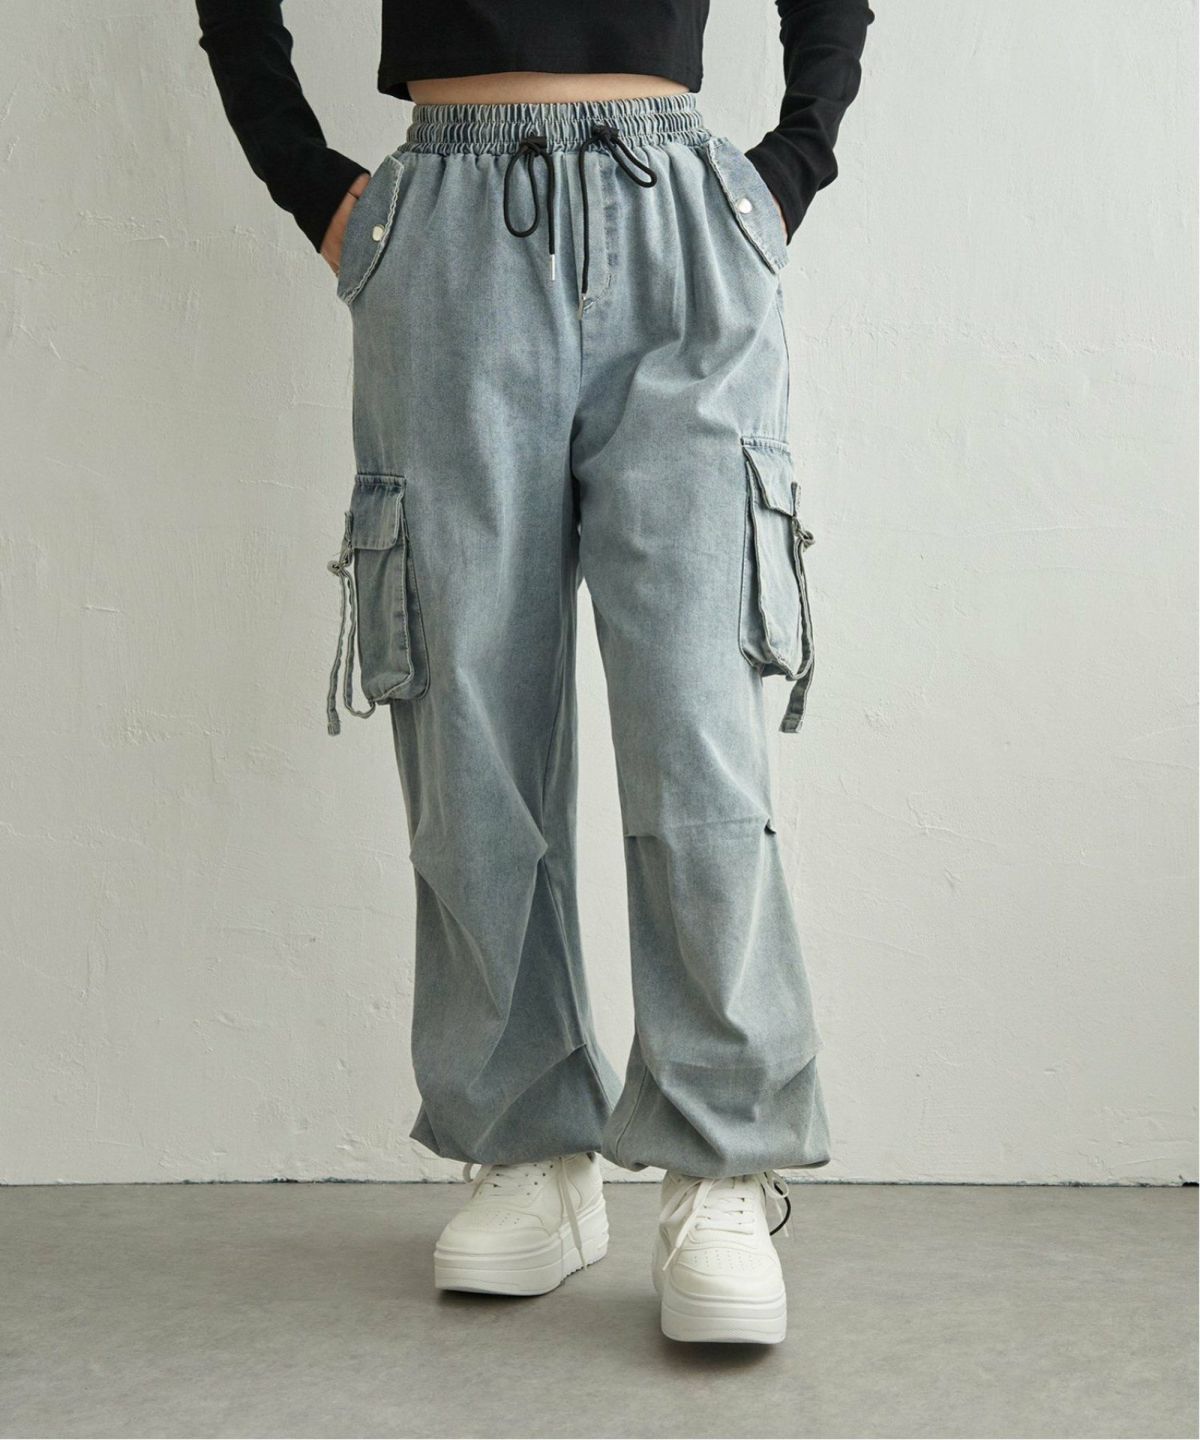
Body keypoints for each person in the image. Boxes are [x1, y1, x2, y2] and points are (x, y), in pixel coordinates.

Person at [196, 0, 872, 1346]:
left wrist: (795, 159)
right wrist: (309, 180)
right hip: (445, 221)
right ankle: (528, 1148)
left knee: (698, 713)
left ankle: (720, 1157)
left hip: (679, 219)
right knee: (467, 720)